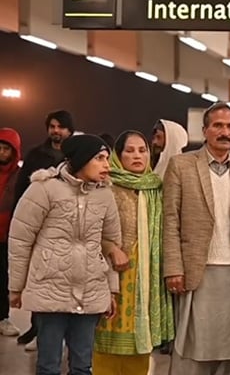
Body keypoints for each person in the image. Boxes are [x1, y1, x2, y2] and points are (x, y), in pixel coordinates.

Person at [9, 134, 121, 375]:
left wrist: (111, 290)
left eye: (107, 159)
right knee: (48, 365)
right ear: (81, 159)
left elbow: (111, 246)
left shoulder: (105, 196)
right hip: (50, 291)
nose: (107, 165)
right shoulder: (43, 189)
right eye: (99, 158)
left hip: (90, 292)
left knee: (82, 365)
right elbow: (20, 240)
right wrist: (16, 287)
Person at [163, 102, 230, 375]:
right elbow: (170, 219)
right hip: (194, 270)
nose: (224, 131)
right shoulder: (181, 165)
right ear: (205, 130)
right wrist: (173, 268)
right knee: (192, 347)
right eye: (218, 125)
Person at [92, 131, 175, 375]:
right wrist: (111, 248)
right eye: (129, 150)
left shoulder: (156, 187)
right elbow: (91, 231)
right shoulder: (105, 187)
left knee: (141, 339)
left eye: (142, 150)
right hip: (114, 272)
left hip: (148, 273)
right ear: (118, 156)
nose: (137, 155)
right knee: (107, 334)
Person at [13, 109, 75, 349]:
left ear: (69, 129)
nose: (55, 131)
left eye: (60, 126)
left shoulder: (76, 155)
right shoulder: (36, 155)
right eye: (52, 126)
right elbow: (22, 189)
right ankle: (38, 329)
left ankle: (59, 334)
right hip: (38, 226)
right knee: (39, 278)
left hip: (66, 227)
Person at [0, 128, 21, 337]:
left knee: (2, 278)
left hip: (5, 236)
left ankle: (2, 318)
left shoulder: (18, 175)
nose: (2, 152)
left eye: (6, 148)